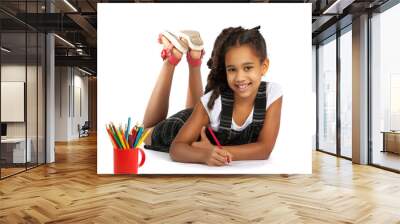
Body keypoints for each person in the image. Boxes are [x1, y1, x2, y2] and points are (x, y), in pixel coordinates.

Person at [143, 26, 283, 166]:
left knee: (197, 109)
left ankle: (194, 58)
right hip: (181, 128)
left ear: (264, 66)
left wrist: (215, 151)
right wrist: (203, 155)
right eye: (232, 69)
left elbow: (264, 149)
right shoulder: (214, 103)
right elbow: (176, 148)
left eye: (248, 68)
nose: (240, 77)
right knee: (143, 133)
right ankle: (171, 60)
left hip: (197, 122)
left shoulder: (271, 94)